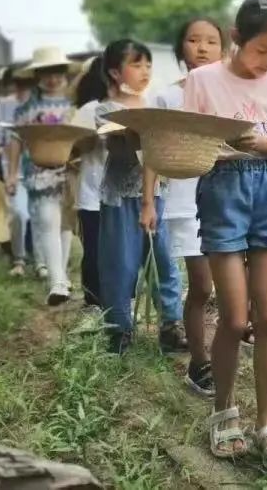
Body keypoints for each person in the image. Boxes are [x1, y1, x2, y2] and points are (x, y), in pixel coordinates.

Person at [184, 0, 267, 465]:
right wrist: (221, 149)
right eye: (261, 51)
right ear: (236, 39)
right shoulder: (202, 81)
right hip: (222, 193)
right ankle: (224, 413)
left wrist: (259, 143)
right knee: (235, 318)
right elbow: (189, 145)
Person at [142, 17, 226, 395]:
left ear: (224, 49)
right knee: (202, 286)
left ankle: (224, 353)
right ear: (181, 49)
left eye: (211, 41)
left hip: (229, 201)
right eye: (194, 40)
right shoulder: (166, 98)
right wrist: (148, 201)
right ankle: (199, 362)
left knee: (231, 289)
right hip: (184, 202)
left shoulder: (231, 96)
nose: (203, 47)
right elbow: (152, 153)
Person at [95, 39, 185, 355]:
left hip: (155, 195)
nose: (145, 71)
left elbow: (158, 148)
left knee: (164, 261)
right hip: (122, 196)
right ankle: (119, 330)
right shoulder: (106, 109)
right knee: (121, 264)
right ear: (115, 73)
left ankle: (171, 326)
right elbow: (124, 145)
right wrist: (146, 130)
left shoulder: (153, 105)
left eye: (148, 64)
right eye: (136, 64)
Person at [7, 47, 76, 305]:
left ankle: (62, 274)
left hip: (70, 173)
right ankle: (56, 281)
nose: (52, 78)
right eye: (46, 73)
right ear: (37, 76)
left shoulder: (74, 105)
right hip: (39, 172)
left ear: (65, 74)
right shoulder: (24, 111)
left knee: (66, 225)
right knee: (48, 221)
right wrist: (12, 174)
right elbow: (14, 142)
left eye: (57, 72)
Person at [0, 65, 38, 276]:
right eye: (17, 84)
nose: (20, 89)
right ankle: (19, 259)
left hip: (38, 169)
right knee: (19, 214)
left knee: (37, 216)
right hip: (13, 169)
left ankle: (40, 261)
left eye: (25, 84)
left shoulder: (40, 105)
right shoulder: (6, 105)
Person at [71, 57, 107, 312]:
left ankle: (119, 298)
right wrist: (90, 138)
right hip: (93, 191)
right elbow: (70, 146)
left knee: (119, 250)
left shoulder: (131, 106)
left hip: (124, 193)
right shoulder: (88, 110)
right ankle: (93, 299)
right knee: (94, 247)